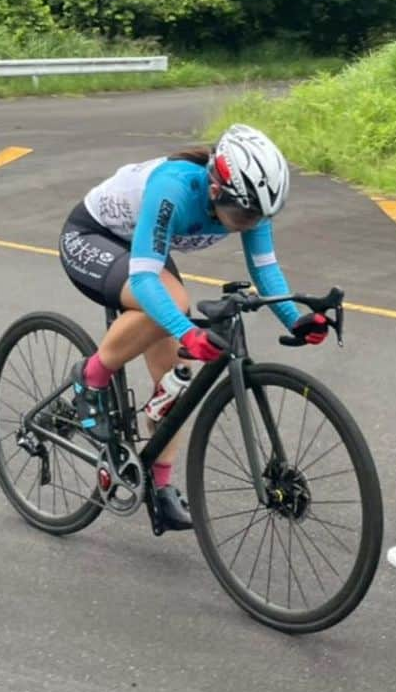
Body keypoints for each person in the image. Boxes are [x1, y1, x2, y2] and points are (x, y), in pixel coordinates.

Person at [58, 124, 328, 531]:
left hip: (142, 248)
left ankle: (161, 489)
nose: (248, 223)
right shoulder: (175, 188)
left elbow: (265, 269)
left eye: (258, 217)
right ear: (216, 188)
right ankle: (91, 377)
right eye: (242, 215)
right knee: (175, 305)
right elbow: (147, 281)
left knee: (173, 384)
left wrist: (297, 318)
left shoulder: (251, 203)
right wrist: (186, 331)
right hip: (93, 237)